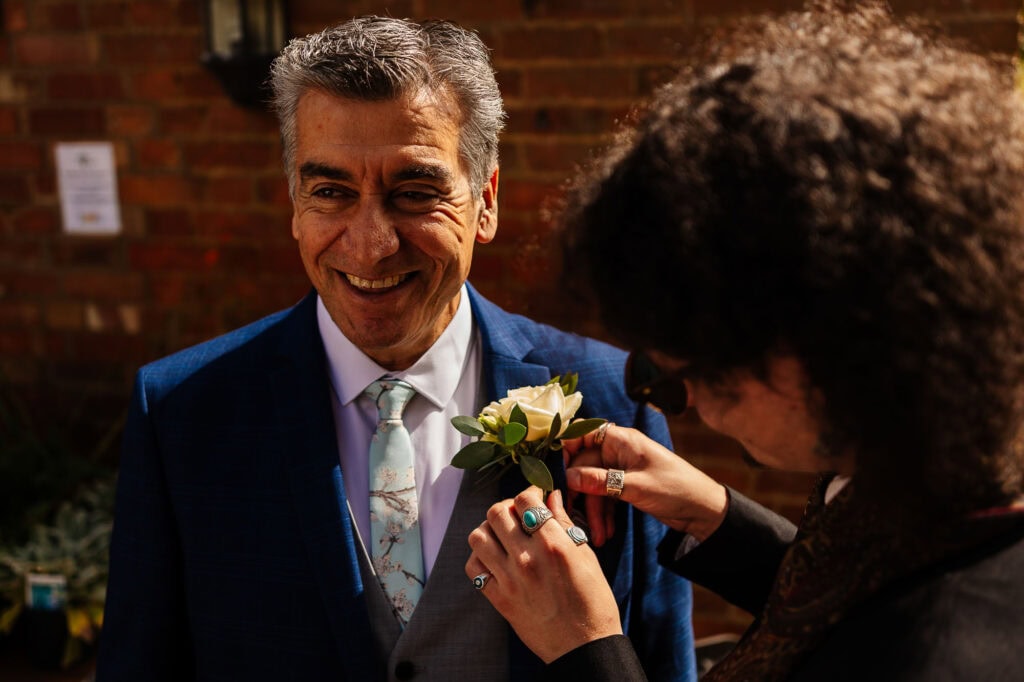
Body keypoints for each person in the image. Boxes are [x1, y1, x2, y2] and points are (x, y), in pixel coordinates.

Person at [95, 15, 697, 682]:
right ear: (294, 202)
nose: (372, 244)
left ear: (486, 201)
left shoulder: (613, 400)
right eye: (331, 192)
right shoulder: (181, 413)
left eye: (414, 193)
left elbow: (663, 662)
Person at [465, 2, 1024, 680]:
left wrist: (587, 647)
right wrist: (718, 518)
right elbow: (854, 598)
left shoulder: (949, 654)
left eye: (689, 363)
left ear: (833, 343)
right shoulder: (936, 485)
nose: (678, 396)